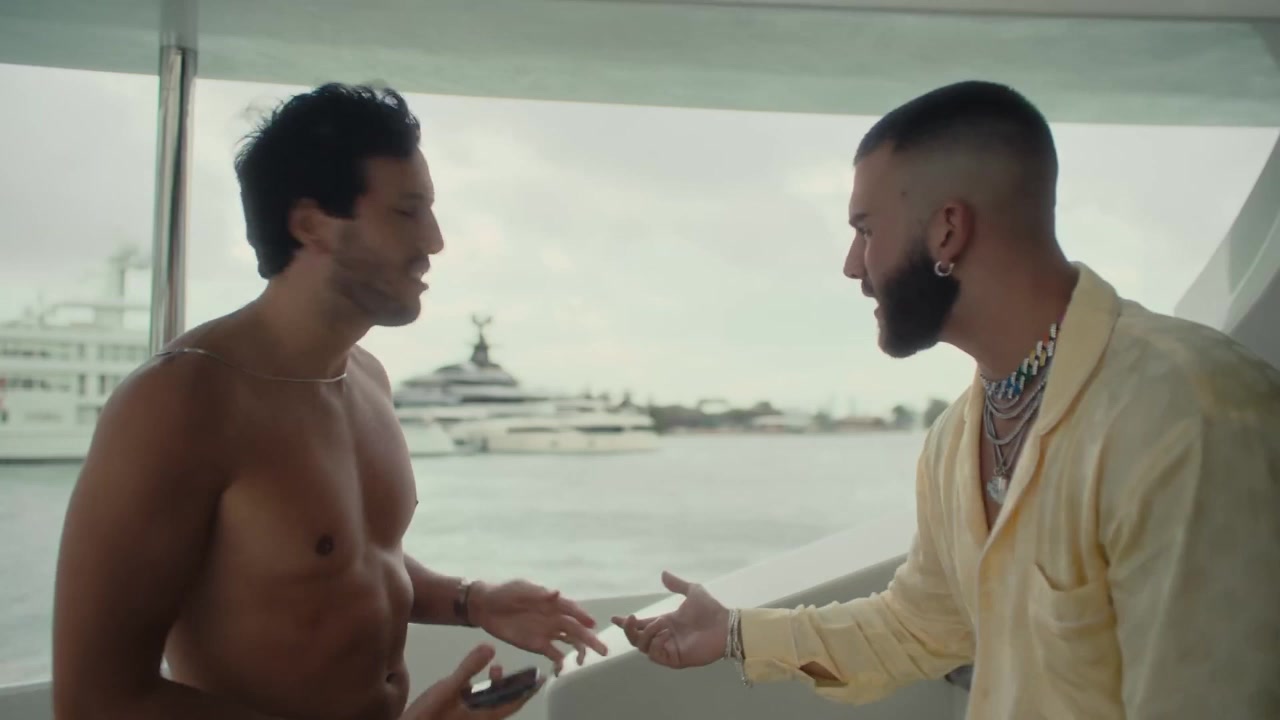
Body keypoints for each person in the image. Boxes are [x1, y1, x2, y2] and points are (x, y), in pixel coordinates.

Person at [616, 80, 1280, 719]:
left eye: (866, 229)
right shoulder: (957, 437)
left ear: (947, 230)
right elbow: (917, 626)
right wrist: (735, 633)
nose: (852, 265)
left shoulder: (1190, 410)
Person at [51, 83, 608, 720]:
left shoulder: (366, 378)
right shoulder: (180, 401)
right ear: (311, 224)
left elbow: (344, 562)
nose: (434, 240)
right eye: (407, 212)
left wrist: (471, 601)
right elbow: (93, 700)